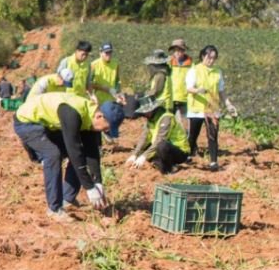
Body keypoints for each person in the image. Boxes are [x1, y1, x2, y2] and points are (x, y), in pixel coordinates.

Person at [13, 91, 124, 219]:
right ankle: (54, 209)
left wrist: (98, 183)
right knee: (53, 155)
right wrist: (89, 187)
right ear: (99, 116)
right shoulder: (72, 114)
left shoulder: (91, 116)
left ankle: (67, 199)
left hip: (49, 124)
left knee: (80, 154)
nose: (106, 131)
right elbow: (74, 151)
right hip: (27, 122)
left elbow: (92, 152)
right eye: (107, 128)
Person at [186, 45, 238, 172]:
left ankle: (213, 162)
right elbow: (189, 88)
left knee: (213, 135)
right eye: (209, 58)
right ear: (203, 56)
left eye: (214, 58)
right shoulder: (194, 70)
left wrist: (228, 104)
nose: (211, 61)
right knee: (193, 134)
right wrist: (198, 90)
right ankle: (187, 155)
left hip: (212, 108)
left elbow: (221, 91)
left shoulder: (217, 72)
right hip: (197, 108)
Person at [126, 97, 191, 174]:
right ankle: (157, 163)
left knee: (162, 145)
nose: (146, 114)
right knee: (144, 147)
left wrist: (144, 156)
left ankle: (169, 169)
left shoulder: (166, 117)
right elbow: (144, 138)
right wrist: (135, 154)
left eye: (148, 111)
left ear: (154, 109)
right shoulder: (151, 120)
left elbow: (161, 139)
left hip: (179, 151)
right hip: (162, 149)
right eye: (144, 112)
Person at [89, 43, 123, 140]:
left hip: (112, 98)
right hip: (99, 99)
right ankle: (99, 145)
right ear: (100, 53)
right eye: (106, 53)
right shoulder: (94, 65)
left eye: (110, 52)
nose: (108, 55)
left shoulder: (115, 63)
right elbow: (89, 84)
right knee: (99, 123)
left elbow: (117, 80)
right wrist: (103, 88)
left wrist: (119, 93)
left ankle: (114, 142)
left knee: (113, 121)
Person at [167, 39, 193, 123]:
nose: (177, 53)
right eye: (175, 50)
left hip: (185, 98)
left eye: (179, 50)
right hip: (171, 97)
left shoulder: (191, 64)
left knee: (184, 124)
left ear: (184, 51)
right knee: (170, 122)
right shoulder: (169, 63)